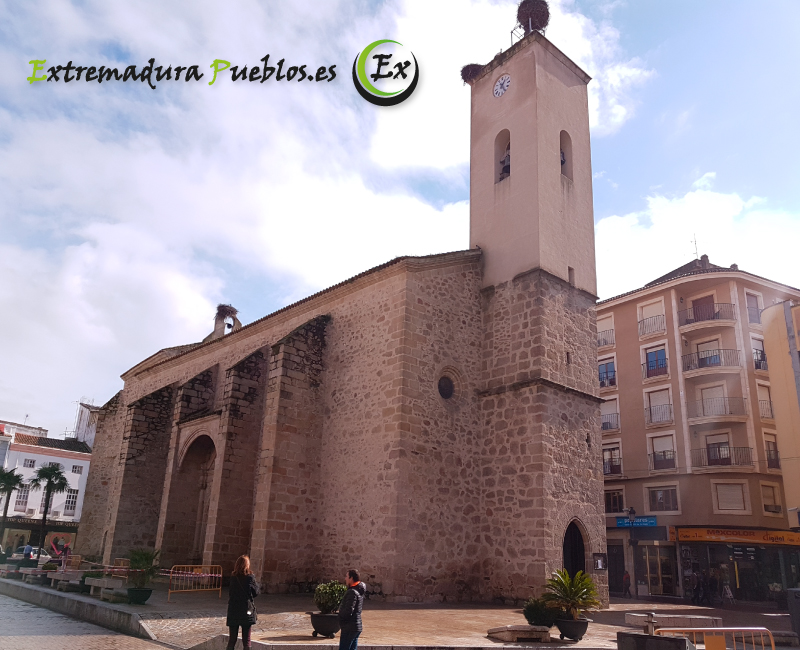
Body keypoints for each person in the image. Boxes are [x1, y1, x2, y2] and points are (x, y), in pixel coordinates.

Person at [226, 555, 259, 650]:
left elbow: (231, 593)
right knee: (246, 640)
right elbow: (255, 593)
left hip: (233, 610)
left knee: (232, 640)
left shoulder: (233, 578)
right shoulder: (250, 578)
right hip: (246, 610)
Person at [338, 569, 367, 650]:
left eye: (347, 576)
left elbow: (349, 611)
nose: (345, 579)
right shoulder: (359, 590)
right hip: (356, 626)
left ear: (351, 578)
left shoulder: (352, 592)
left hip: (349, 627)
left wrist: (340, 616)